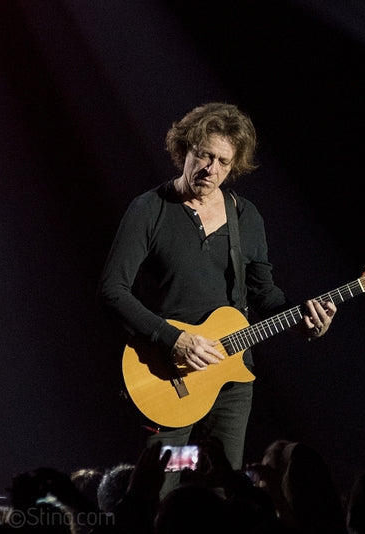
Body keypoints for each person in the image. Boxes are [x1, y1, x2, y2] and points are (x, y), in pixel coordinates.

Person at [97, 102, 337, 497]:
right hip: (166, 377)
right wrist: (174, 338)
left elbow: (265, 294)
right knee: (161, 489)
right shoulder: (149, 210)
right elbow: (111, 290)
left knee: (223, 492)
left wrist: (305, 322)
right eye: (204, 155)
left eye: (223, 161)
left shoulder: (246, 216)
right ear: (185, 149)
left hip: (231, 381)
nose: (211, 169)